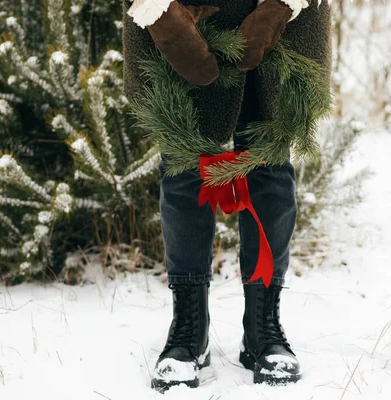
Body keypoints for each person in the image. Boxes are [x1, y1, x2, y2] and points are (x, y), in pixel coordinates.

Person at [122, 0, 331, 391]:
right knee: (185, 163)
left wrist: (282, 6)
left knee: (268, 161)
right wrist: (159, 11)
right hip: (181, 12)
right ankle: (189, 331)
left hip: (282, 15)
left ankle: (262, 330)